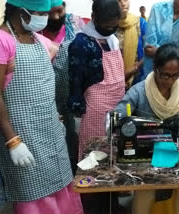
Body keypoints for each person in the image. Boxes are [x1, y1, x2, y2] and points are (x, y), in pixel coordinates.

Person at [0, 0, 83, 214]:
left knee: (63, 188)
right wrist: (12, 141)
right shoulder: (0, 40)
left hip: (50, 132)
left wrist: (56, 119)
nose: (44, 18)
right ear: (19, 11)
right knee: (34, 197)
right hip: (22, 136)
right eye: (37, 13)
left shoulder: (37, 39)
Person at [115, 44, 179, 214]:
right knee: (145, 187)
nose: (169, 81)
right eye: (165, 75)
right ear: (155, 69)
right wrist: (124, 123)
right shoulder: (140, 91)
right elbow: (118, 113)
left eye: (174, 76)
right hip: (148, 153)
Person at [68, 0, 125, 160]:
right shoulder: (81, 43)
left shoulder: (112, 40)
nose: (110, 30)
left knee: (116, 148)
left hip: (118, 102)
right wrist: (77, 109)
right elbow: (76, 80)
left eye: (114, 26)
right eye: (106, 26)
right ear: (94, 17)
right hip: (95, 109)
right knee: (94, 152)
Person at [41, 0, 85, 175]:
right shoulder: (33, 30)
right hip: (46, 93)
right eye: (49, 13)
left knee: (74, 136)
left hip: (73, 92)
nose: (56, 17)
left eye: (59, 11)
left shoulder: (75, 23)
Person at [141, 0, 179, 81]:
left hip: (174, 75)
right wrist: (177, 53)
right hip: (152, 70)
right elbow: (149, 49)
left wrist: (159, 51)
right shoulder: (158, 9)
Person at [116, 0, 147, 88]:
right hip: (114, 81)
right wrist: (121, 77)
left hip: (138, 77)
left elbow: (150, 50)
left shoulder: (140, 23)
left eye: (125, 0)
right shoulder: (109, 25)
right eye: (118, 1)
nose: (123, 3)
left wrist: (133, 69)